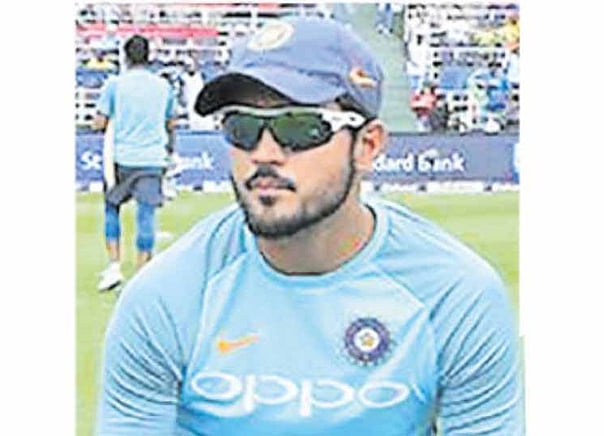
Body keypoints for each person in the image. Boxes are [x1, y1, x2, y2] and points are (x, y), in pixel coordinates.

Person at [97, 17, 522, 434]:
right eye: (242, 128)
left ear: (368, 145)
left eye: (299, 128)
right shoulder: (165, 296)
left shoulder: (455, 295)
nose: (264, 154)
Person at [92, 34, 176, 291]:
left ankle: (114, 266)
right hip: (152, 157)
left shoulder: (115, 85)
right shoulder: (163, 86)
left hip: (121, 158)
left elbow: (99, 122)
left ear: (126, 57)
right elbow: (171, 123)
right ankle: (142, 272)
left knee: (112, 208)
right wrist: (169, 152)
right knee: (146, 213)